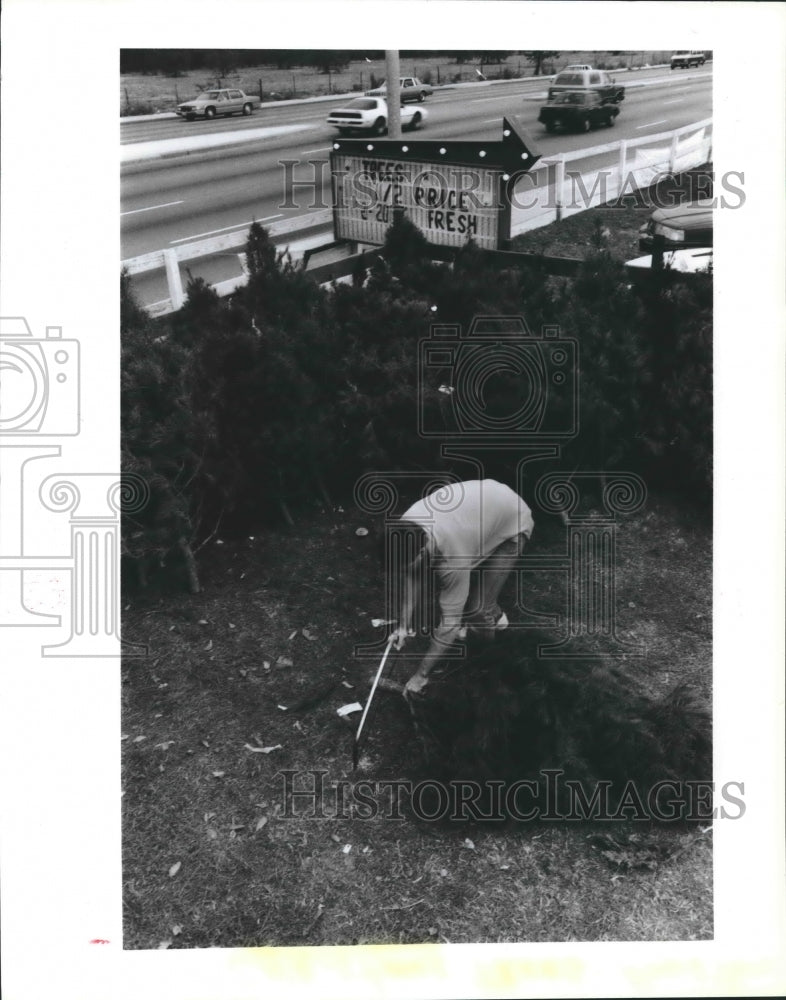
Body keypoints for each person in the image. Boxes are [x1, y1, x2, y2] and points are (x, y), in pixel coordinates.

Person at [389, 479, 534, 697]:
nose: (407, 572)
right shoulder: (406, 526)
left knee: (477, 610)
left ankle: (488, 662)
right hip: (485, 504)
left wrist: (421, 675)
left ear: (422, 551)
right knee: (475, 599)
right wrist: (403, 626)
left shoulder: (452, 559)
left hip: (513, 519)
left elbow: (449, 624)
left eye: (410, 565)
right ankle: (497, 618)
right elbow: (413, 574)